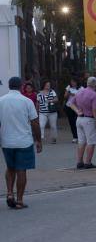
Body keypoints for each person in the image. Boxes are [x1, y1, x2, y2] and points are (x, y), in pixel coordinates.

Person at [0, 77, 42, 209]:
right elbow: (35, 122)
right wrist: (38, 140)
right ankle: (19, 200)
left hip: (6, 141)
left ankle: (9, 193)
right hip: (24, 141)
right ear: (20, 86)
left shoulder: (1, 101)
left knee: (10, 168)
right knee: (21, 170)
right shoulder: (27, 101)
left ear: (9, 85)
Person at [74, 76, 96, 169]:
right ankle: (88, 162)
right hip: (89, 119)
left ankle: (79, 161)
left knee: (81, 141)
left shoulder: (79, 92)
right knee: (91, 141)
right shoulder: (94, 95)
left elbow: (70, 103)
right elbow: (95, 111)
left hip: (79, 118)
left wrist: (78, 110)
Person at [36, 79, 59, 144]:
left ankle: (54, 138)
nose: (48, 86)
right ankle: (41, 137)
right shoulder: (39, 93)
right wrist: (36, 111)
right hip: (42, 112)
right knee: (41, 125)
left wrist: (50, 101)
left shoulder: (52, 92)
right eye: (47, 85)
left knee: (53, 126)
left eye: (49, 85)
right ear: (43, 85)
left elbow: (56, 99)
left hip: (52, 112)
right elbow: (37, 103)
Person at [63, 78, 80, 143]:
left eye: (74, 82)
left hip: (78, 107)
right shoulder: (69, 87)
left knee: (77, 121)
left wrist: (75, 95)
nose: (73, 83)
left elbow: (83, 96)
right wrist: (68, 93)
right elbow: (65, 96)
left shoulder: (81, 88)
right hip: (69, 106)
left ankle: (79, 136)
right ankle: (75, 137)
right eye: (71, 81)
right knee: (71, 122)